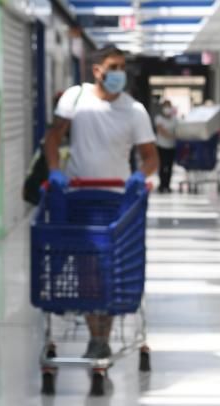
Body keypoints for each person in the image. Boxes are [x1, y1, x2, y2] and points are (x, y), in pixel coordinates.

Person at [43, 45, 159, 360]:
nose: (119, 73)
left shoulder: (134, 111)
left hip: (118, 202)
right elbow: (54, 136)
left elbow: (151, 157)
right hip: (78, 197)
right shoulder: (75, 99)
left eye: (123, 67)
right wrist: (55, 172)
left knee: (110, 269)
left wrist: (139, 177)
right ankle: (96, 334)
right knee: (86, 270)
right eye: (113, 66)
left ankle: (100, 337)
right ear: (97, 70)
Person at [154, 100, 178, 193]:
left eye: (169, 106)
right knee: (162, 166)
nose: (167, 109)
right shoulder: (159, 118)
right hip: (161, 146)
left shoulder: (175, 119)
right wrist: (172, 136)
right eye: (165, 107)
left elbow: (178, 130)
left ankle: (167, 185)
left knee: (169, 167)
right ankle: (161, 185)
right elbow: (161, 130)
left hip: (171, 147)